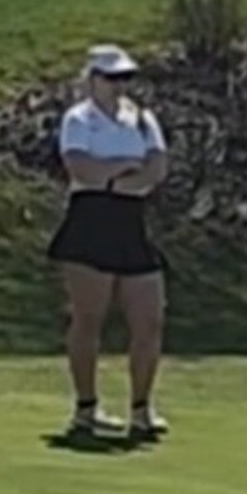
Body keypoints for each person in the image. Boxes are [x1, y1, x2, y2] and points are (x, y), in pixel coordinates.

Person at [46, 44, 172, 439]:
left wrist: (120, 177)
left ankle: (141, 409)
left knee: (149, 319)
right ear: (93, 80)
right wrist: (121, 173)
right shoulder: (78, 119)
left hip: (131, 220)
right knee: (89, 318)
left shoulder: (142, 119)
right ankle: (86, 408)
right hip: (90, 220)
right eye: (112, 78)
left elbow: (156, 167)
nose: (120, 86)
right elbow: (81, 168)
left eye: (126, 79)